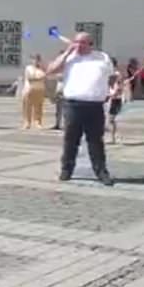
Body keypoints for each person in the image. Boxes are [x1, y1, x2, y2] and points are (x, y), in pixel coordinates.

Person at [46, 32, 115, 186]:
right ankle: (66, 169)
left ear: (91, 44)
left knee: (95, 141)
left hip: (95, 106)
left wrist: (113, 88)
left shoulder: (102, 57)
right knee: (71, 140)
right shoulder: (69, 57)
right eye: (76, 42)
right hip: (73, 105)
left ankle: (101, 171)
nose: (79, 45)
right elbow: (50, 70)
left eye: (83, 42)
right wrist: (66, 53)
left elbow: (112, 76)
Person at [21, 54, 47, 129]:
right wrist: (39, 78)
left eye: (38, 60)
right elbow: (30, 78)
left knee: (38, 107)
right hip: (29, 89)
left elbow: (46, 77)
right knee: (27, 107)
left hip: (40, 89)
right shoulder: (28, 68)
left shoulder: (42, 69)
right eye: (35, 59)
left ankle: (38, 122)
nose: (36, 61)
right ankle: (27, 122)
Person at [107, 57, 124, 144]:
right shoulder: (109, 73)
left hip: (115, 100)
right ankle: (111, 138)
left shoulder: (116, 74)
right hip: (109, 99)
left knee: (111, 119)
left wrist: (113, 94)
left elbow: (119, 87)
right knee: (107, 119)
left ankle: (112, 138)